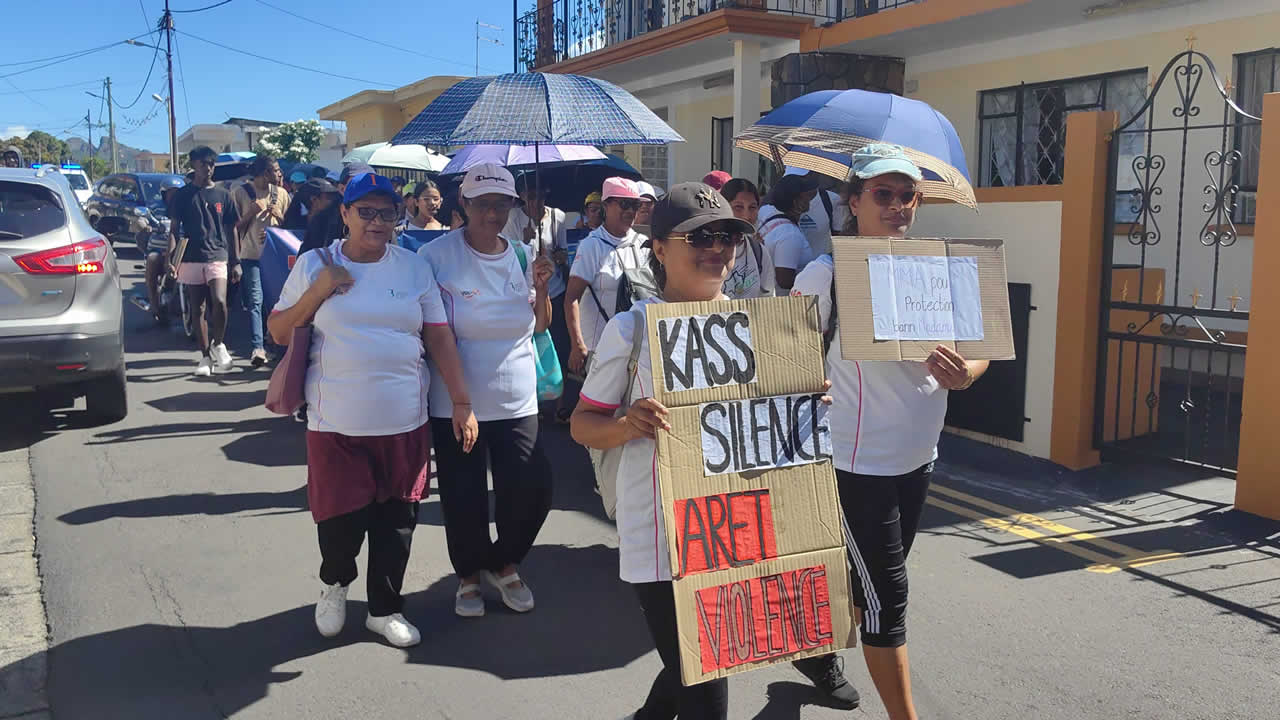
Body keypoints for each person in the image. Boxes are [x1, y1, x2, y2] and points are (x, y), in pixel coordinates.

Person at [572, 182, 846, 719]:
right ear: (659, 249)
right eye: (698, 236)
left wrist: (808, 403)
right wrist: (628, 424)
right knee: (699, 673)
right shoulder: (631, 331)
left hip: (738, 531)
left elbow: (772, 433)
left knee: (700, 666)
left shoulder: (762, 325)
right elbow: (584, 424)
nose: (716, 247)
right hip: (660, 534)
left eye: (727, 235)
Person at [793, 144, 989, 720]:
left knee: (866, 586)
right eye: (884, 193)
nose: (899, 204)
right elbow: (791, 359)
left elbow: (980, 354)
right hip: (854, 466)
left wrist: (965, 375)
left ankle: (817, 647)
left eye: (909, 195)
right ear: (853, 201)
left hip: (919, 458)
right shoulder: (825, 273)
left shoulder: (940, 270)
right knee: (889, 599)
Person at [268, 171, 476, 648]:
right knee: (339, 521)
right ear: (345, 214)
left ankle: (385, 609)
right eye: (367, 212)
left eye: (388, 213)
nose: (378, 222)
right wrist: (320, 289)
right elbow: (280, 331)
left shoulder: (413, 267)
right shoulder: (315, 264)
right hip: (336, 419)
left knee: (397, 523)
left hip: (405, 419)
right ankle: (335, 584)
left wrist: (462, 400)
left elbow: (438, 335)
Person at [418, 164, 556, 618]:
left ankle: (504, 562)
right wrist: (460, 401)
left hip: (518, 398)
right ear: (465, 205)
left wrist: (541, 287)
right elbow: (429, 331)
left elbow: (539, 326)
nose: (493, 213)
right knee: (464, 497)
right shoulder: (436, 257)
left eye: (503, 203)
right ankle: (469, 578)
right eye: (484, 204)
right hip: (457, 401)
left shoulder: (520, 253)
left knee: (533, 490)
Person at [503, 173, 572, 422]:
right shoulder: (513, 218)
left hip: (555, 289)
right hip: (528, 292)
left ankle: (561, 402)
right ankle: (536, 400)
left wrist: (560, 256)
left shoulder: (558, 216)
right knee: (533, 345)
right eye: (530, 197)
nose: (535, 201)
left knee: (559, 345)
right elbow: (510, 254)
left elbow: (562, 250)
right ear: (521, 198)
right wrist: (524, 241)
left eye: (540, 196)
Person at [564, 177, 647, 379]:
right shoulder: (591, 245)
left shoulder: (643, 244)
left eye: (635, 205)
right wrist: (577, 345)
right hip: (599, 347)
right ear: (606, 206)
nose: (630, 211)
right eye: (624, 204)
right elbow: (571, 299)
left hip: (636, 347)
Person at [167, 146, 240, 376]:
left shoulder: (224, 196)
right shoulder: (183, 195)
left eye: (210, 164)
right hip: (190, 257)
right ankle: (205, 357)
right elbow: (173, 229)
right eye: (202, 165)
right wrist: (171, 259)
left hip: (218, 254)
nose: (207, 169)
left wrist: (236, 261)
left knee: (219, 301)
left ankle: (219, 343)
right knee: (197, 308)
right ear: (194, 167)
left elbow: (232, 229)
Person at [231, 154, 291, 367]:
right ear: (265, 173)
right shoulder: (240, 193)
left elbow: (290, 231)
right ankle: (258, 347)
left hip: (275, 258)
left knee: (276, 302)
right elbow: (232, 227)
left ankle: (273, 343)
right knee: (255, 301)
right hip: (250, 255)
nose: (279, 173)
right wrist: (250, 214)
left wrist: (280, 219)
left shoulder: (282, 194)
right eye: (275, 170)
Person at [757, 173, 819, 295]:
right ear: (796, 202)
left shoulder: (768, 213)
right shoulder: (790, 235)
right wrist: (814, 277)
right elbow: (784, 280)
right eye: (805, 195)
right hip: (782, 304)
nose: (809, 198)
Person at [718, 178, 776, 300]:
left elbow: (768, 299)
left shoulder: (759, 251)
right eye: (738, 207)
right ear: (723, 206)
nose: (746, 215)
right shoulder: (708, 249)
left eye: (752, 207)